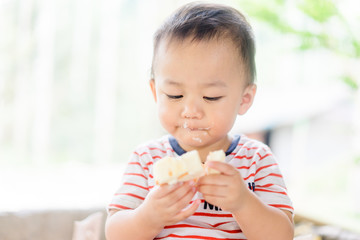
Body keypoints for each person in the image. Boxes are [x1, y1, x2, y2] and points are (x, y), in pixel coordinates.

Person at [105, 2, 294, 240]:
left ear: (244, 99)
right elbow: (115, 234)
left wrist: (243, 203)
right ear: (156, 93)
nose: (191, 111)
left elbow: (282, 235)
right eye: (174, 95)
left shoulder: (257, 160)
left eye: (211, 97)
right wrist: (148, 216)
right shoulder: (146, 159)